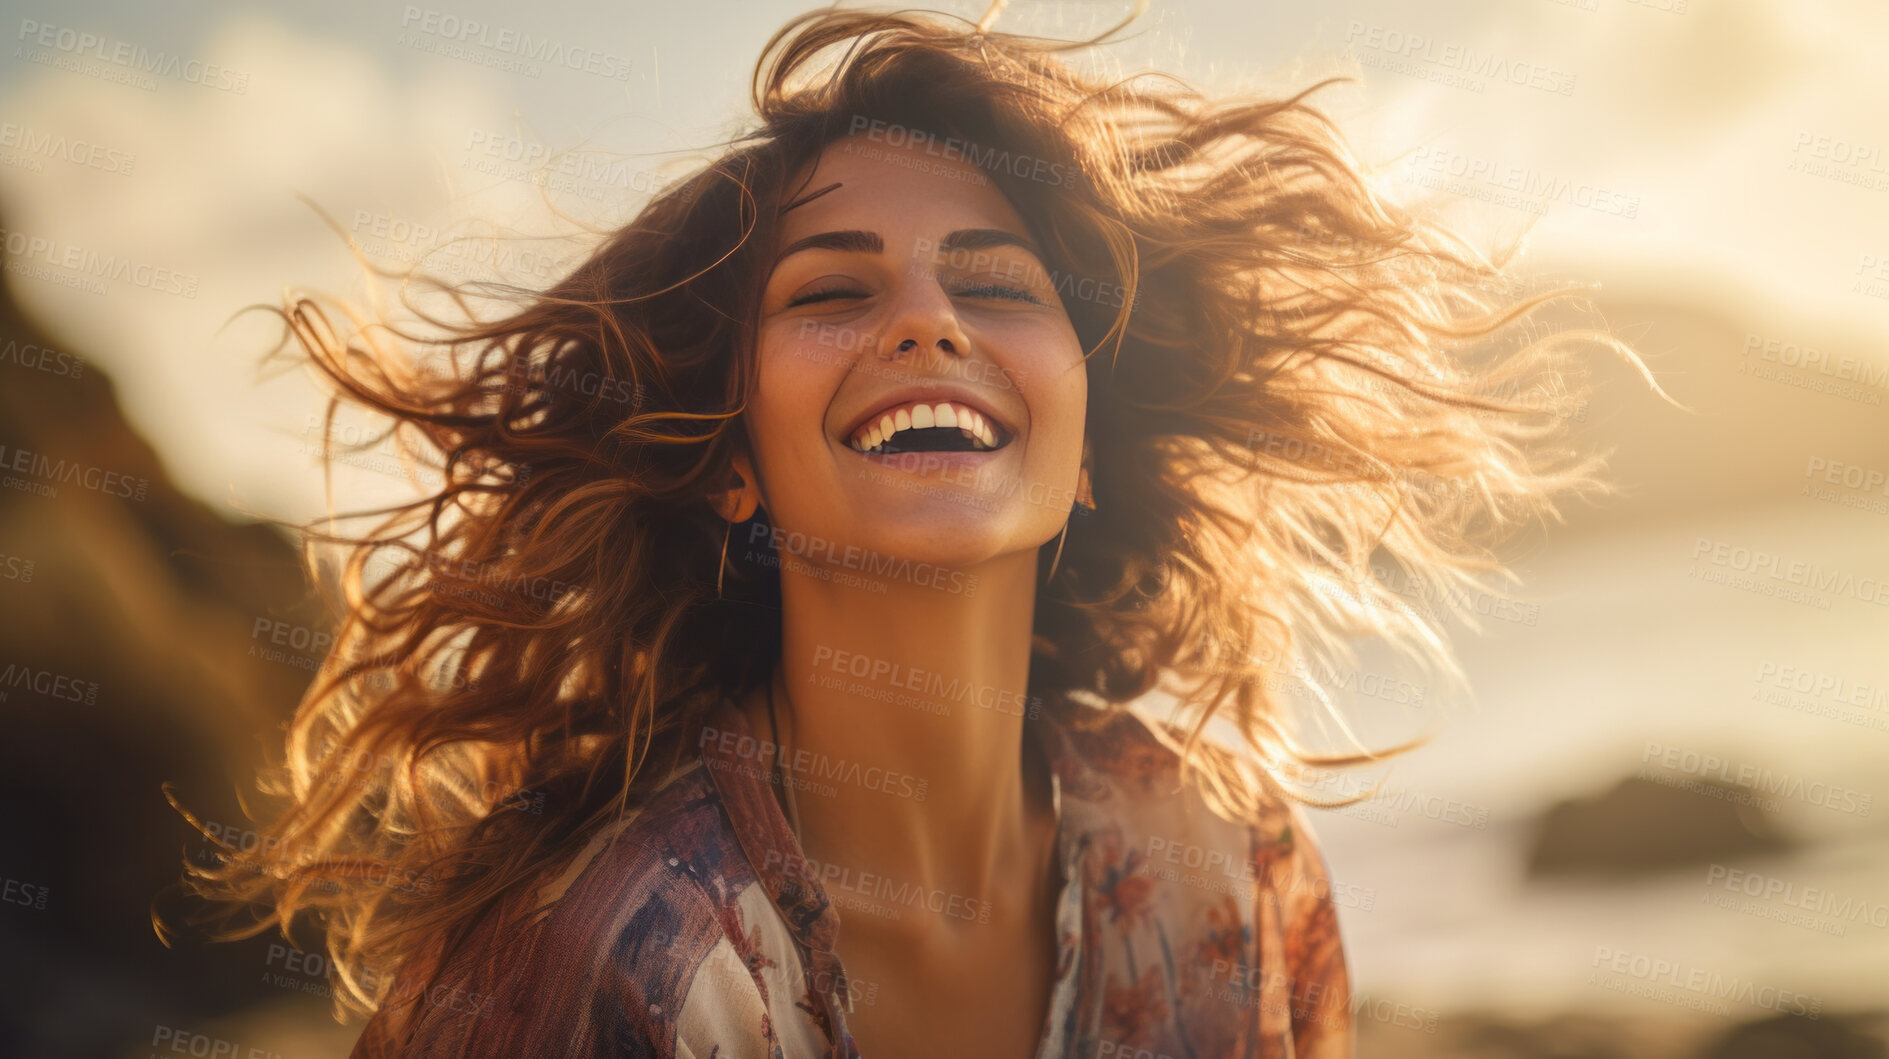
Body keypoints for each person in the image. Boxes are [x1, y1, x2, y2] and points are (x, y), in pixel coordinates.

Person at [172, 5, 1656, 1057]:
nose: (927, 320)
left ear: (1082, 451)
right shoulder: (619, 965)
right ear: (730, 466)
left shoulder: (1228, 873)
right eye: (831, 290)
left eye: (995, 282)